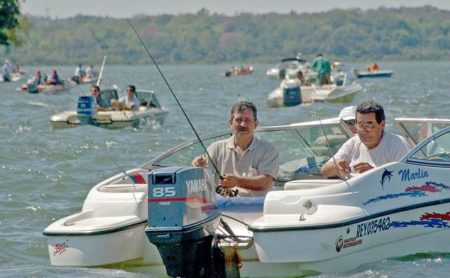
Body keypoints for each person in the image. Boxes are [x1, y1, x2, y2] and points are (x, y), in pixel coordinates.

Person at [192, 100, 279, 197]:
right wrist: (197, 168)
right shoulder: (215, 148)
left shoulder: (268, 150)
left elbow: (266, 182)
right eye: (238, 120)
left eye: (247, 120)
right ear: (231, 122)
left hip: (255, 207)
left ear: (255, 124)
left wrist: (237, 181)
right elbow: (202, 181)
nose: (243, 125)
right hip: (223, 206)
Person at [321, 100, 409, 178]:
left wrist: (374, 173)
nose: (364, 130)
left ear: (382, 125)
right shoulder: (352, 143)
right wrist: (336, 167)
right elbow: (324, 170)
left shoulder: (396, 143)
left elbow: (406, 177)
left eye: (369, 125)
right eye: (360, 125)